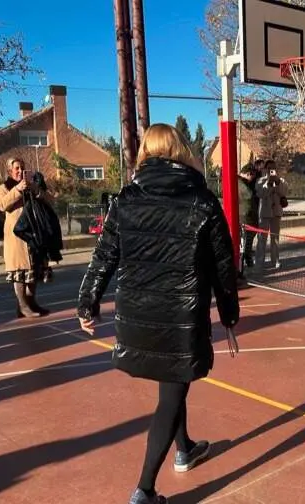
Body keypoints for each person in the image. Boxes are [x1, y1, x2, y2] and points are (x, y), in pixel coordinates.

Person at [77, 123, 240, 504]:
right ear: (181, 151)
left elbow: (104, 255)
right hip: (181, 319)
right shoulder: (202, 200)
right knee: (171, 393)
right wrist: (229, 314)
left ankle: (185, 447)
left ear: (146, 153)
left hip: (137, 317)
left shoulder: (126, 198)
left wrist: (88, 302)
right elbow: (222, 264)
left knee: (172, 383)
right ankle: (144, 490)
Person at [0, 157, 50, 318]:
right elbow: (1, 205)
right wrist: (18, 190)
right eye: (17, 168)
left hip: (34, 236)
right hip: (17, 238)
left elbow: (49, 200)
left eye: (22, 168)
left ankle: (31, 303)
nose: (20, 171)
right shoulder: (4, 187)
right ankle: (22, 305)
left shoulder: (32, 186)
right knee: (19, 272)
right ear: (10, 171)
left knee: (33, 271)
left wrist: (35, 189)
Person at [255, 160, 288, 270]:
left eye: (273, 168)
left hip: (276, 212)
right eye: (269, 168)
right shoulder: (260, 181)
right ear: (265, 169)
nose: (271, 170)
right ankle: (259, 262)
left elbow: (283, 192)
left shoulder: (281, 180)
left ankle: (276, 260)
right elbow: (261, 193)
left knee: (275, 239)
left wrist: (277, 182)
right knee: (262, 239)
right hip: (264, 213)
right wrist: (269, 182)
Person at [237, 161, 260, 274]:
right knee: (245, 242)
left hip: (248, 217)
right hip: (245, 217)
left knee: (248, 241)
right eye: (253, 176)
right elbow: (249, 195)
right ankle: (244, 263)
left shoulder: (243, 183)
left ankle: (247, 259)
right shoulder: (240, 183)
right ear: (248, 173)